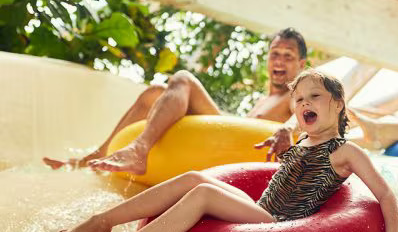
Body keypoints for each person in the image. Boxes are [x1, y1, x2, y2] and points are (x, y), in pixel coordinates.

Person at [59, 69, 398, 232]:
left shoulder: (345, 150)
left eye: (315, 97)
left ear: (338, 104)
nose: (304, 104)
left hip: (278, 224)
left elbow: (384, 194)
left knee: (203, 194)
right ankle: (105, 220)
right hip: (262, 208)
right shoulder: (301, 141)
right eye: (299, 100)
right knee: (195, 177)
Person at [43, 27, 308, 176]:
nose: (279, 61)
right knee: (154, 92)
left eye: (287, 56)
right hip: (225, 134)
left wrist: (287, 128)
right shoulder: (265, 98)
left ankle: (139, 149)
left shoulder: (296, 93)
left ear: (301, 64)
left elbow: (304, 113)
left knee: (183, 78)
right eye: (275, 54)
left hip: (238, 151)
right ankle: (96, 156)